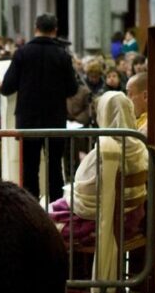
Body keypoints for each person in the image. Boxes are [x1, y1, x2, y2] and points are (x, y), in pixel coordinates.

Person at [49, 91, 148, 245]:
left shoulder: (106, 150)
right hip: (132, 220)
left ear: (105, 114)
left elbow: (83, 193)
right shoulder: (140, 145)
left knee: (45, 216)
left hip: (104, 223)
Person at [0, 13, 79, 201]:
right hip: (55, 119)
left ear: (36, 28)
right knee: (54, 168)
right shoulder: (62, 55)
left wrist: (2, 87)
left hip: (28, 120)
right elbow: (72, 89)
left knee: (29, 168)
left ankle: (31, 208)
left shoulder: (22, 53)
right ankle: (56, 208)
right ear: (55, 30)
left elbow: (8, 87)